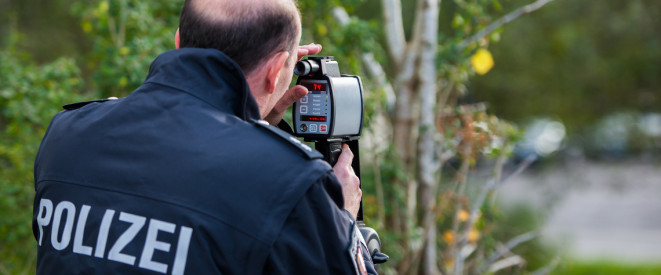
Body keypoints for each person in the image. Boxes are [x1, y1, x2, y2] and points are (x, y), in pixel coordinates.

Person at [32, 0, 377, 274]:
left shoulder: (67, 134)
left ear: (179, 42)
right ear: (275, 72)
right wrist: (341, 220)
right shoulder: (290, 181)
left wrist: (254, 128)